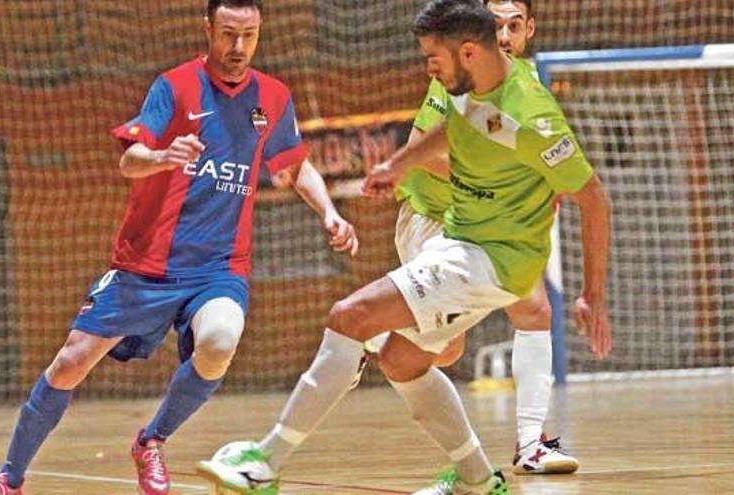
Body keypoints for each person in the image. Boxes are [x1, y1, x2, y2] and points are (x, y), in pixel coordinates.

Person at [197, 1, 611, 494]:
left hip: (489, 262)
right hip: (465, 245)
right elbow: (453, 130)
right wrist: (397, 166)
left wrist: (593, 296)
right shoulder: (473, 87)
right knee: (403, 360)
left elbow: (594, 199)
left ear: (468, 51)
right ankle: (478, 482)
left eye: (434, 57)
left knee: (349, 316)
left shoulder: (534, 117)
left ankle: (263, 464)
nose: (428, 68)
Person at [0, 1, 358, 494]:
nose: (238, 47)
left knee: (220, 341)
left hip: (219, 268)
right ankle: (10, 478)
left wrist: (329, 211)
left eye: (249, 35)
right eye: (227, 34)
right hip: (146, 264)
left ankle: (151, 441)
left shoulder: (274, 98)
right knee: (70, 362)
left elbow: (295, 165)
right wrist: (161, 156)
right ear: (208, 29)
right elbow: (130, 160)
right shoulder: (173, 86)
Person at [362, 0, 579, 475]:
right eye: (496, 25)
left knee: (534, 310)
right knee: (446, 349)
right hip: (434, 217)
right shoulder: (457, 79)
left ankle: (530, 444)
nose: (504, 36)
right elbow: (422, 155)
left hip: (486, 223)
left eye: (514, 26)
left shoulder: (528, 85)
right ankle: (377, 326)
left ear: (530, 31)